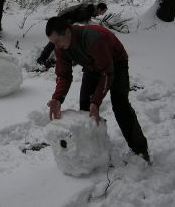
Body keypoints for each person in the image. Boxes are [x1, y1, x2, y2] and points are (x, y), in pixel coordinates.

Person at [45, 16, 150, 162]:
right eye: (53, 42)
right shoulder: (61, 47)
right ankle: (91, 152)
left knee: (120, 105)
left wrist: (96, 101)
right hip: (92, 66)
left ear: (67, 32)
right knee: (85, 109)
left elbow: (107, 73)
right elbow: (63, 75)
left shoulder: (94, 39)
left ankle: (140, 150)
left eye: (57, 41)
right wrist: (57, 98)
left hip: (115, 64)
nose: (55, 45)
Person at [37, 2, 107, 66]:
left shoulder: (90, 9)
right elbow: (76, 17)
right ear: (99, 9)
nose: (102, 14)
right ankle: (42, 58)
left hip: (67, 19)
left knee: (64, 40)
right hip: (64, 19)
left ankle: (58, 58)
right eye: (102, 12)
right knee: (58, 39)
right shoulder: (89, 10)